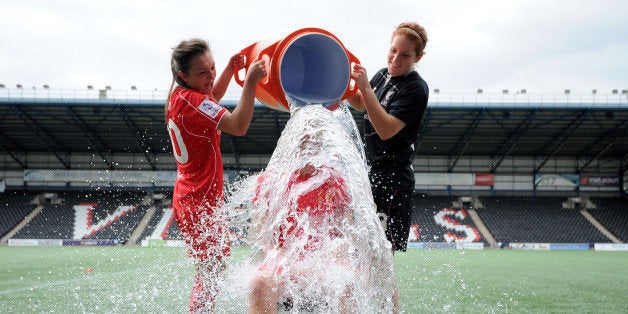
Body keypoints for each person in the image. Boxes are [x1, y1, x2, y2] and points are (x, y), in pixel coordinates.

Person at [164, 38, 267, 313]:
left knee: (212, 267)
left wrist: (229, 71)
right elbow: (238, 125)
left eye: (213, 67)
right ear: (183, 75)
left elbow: (209, 100)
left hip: (194, 194)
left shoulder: (181, 96)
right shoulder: (193, 101)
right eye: (203, 72)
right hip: (198, 199)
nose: (210, 75)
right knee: (211, 270)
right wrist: (250, 83)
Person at [346, 21, 429, 311]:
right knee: (360, 255)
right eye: (392, 51)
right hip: (371, 175)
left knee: (381, 261)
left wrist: (366, 87)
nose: (395, 59)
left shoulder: (416, 88)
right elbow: (360, 102)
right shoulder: (383, 75)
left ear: (417, 58)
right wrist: (344, 86)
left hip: (393, 179)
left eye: (404, 55)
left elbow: (385, 129)